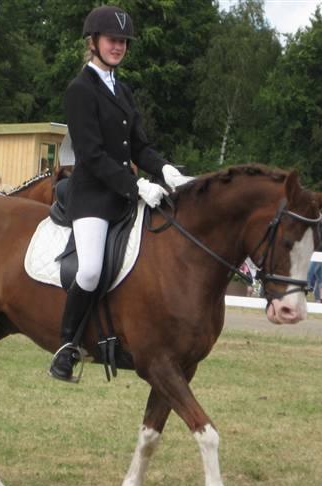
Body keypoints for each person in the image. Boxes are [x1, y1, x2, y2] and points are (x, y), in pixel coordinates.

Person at [49, 5, 193, 382]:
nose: (119, 47)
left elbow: (139, 147)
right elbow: (92, 156)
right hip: (92, 197)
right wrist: (137, 184)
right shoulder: (80, 90)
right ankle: (66, 346)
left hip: (125, 196)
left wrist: (165, 171)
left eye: (124, 42)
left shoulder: (122, 90)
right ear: (93, 42)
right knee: (92, 268)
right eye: (113, 40)